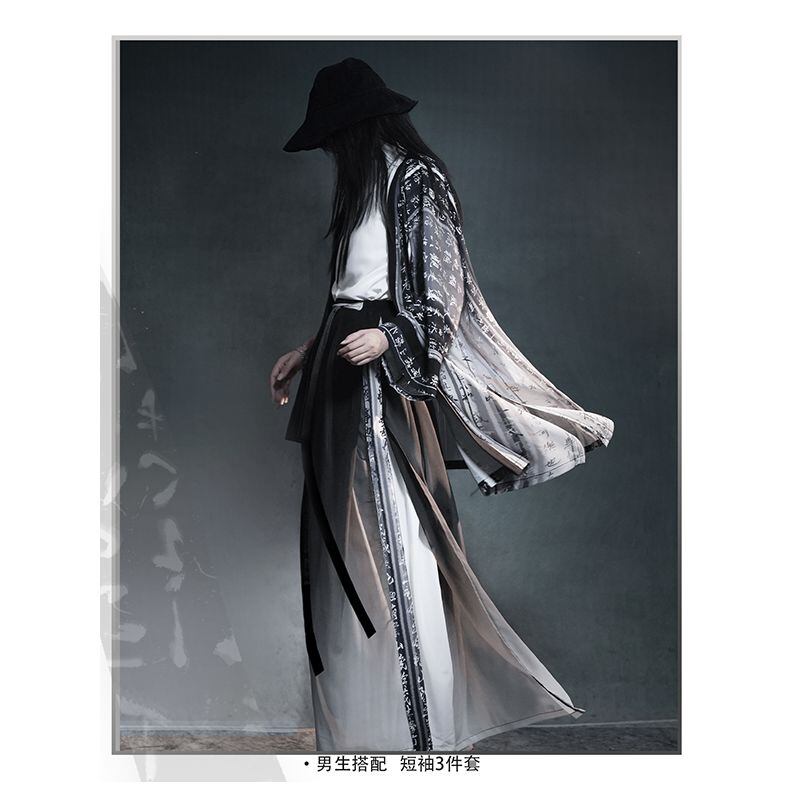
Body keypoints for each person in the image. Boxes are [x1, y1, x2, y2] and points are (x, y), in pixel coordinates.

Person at [270, 57, 615, 753]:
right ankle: (361, 733)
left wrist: (390, 336)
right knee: (344, 547)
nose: (331, 151)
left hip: (381, 384)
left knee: (398, 540)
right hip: (340, 372)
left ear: (357, 127)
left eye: (335, 136)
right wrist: (311, 348)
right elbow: (356, 286)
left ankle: (414, 735)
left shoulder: (416, 180)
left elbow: (440, 296)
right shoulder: (363, 186)